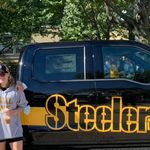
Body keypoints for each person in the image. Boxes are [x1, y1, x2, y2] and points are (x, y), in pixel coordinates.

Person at [0, 64, 30, 150]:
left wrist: (13, 112)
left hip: (14, 130)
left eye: (2, 74)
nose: (1, 76)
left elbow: (25, 107)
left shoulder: (17, 89)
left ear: (8, 74)